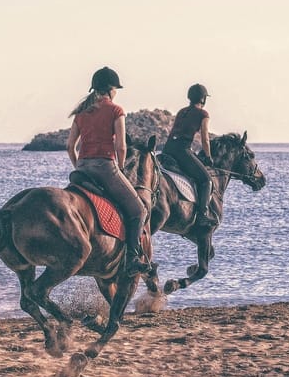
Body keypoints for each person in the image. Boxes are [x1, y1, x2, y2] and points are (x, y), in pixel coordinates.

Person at [66, 66, 151, 276]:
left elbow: (70, 146)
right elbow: (121, 147)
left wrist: (79, 165)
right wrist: (120, 169)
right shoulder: (116, 110)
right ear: (111, 89)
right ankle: (132, 258)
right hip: (105, 167)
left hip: (83, 168)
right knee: (139, 210)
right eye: (116, 89)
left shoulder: (81, 113)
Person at [164, 83, 217, 227]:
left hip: (167, 149)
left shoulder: (182, 111)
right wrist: (208, 157)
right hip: (182, 150)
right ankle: (202, 215)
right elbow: (205, 138)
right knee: (206, 180)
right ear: (203, 99)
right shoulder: (203, 114)